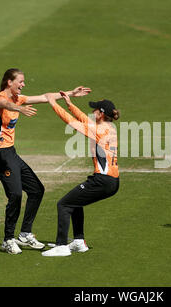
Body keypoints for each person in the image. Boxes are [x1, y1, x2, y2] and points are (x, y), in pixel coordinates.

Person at [0, 68, 91, 254]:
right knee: (16, 195)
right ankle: (8, 239)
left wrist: (71, 93)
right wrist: (19, 108)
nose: (23, 84)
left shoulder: (19, 98)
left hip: (10, 152)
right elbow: (4, 104)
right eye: (20, 81)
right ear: (9, 82)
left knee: (36, 190)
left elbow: (46, 96)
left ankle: (25, 233)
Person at [41, 91, 120, 257]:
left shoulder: (99, 131)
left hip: (103, 181)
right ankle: (78, 241)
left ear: (101, 113)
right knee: (75, 202)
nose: (93, 112)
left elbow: (72, 122)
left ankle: (61, 245)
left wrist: (54, 104)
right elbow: (84, 120)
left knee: (64, 204)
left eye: (95, 110)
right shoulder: (109, 127)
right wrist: (70, 104)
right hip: (111, 181)